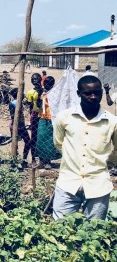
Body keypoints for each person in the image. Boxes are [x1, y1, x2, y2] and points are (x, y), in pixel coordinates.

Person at [52, 75, 115, 220]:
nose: (93, 97)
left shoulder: (112, 122)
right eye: (88, 93)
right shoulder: (64, 117)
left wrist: (106, 164)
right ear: (79, 93)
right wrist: (72, 157)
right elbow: (59, 143)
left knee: (94, 232)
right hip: (68, 182)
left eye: (97, 92)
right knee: (59, 230)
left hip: (98, 185)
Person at [35, 76, 61, 169]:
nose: (47, 85)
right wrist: (40, 98)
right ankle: (41, 161)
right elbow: (37, 105)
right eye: (45, 83)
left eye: (49, 84)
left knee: (50, 141)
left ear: (52, 84)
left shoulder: (55, 93)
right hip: (43, 118)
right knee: (41, 139)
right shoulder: (42, 92)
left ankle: (48, 162)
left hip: (51, 118)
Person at [8, 87, 33, 164]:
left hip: (19, 126)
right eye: (22, 94)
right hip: (18, 126)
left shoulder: (15, 103)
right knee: (27, 142)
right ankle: (22, 159)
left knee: (16, 143)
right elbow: (13, 116)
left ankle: (16, 159)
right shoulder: (14, 104)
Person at [25, 73, 43, 165]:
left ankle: (43, 159)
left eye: (36, 79)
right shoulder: (30, 92)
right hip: (35, 116)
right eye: (33, 79)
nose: (35, 80)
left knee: (43, 137)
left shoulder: (45, 90)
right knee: (34, 137)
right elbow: (30, 106)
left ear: (40, 79)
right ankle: (33, 158)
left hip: (44, 116)